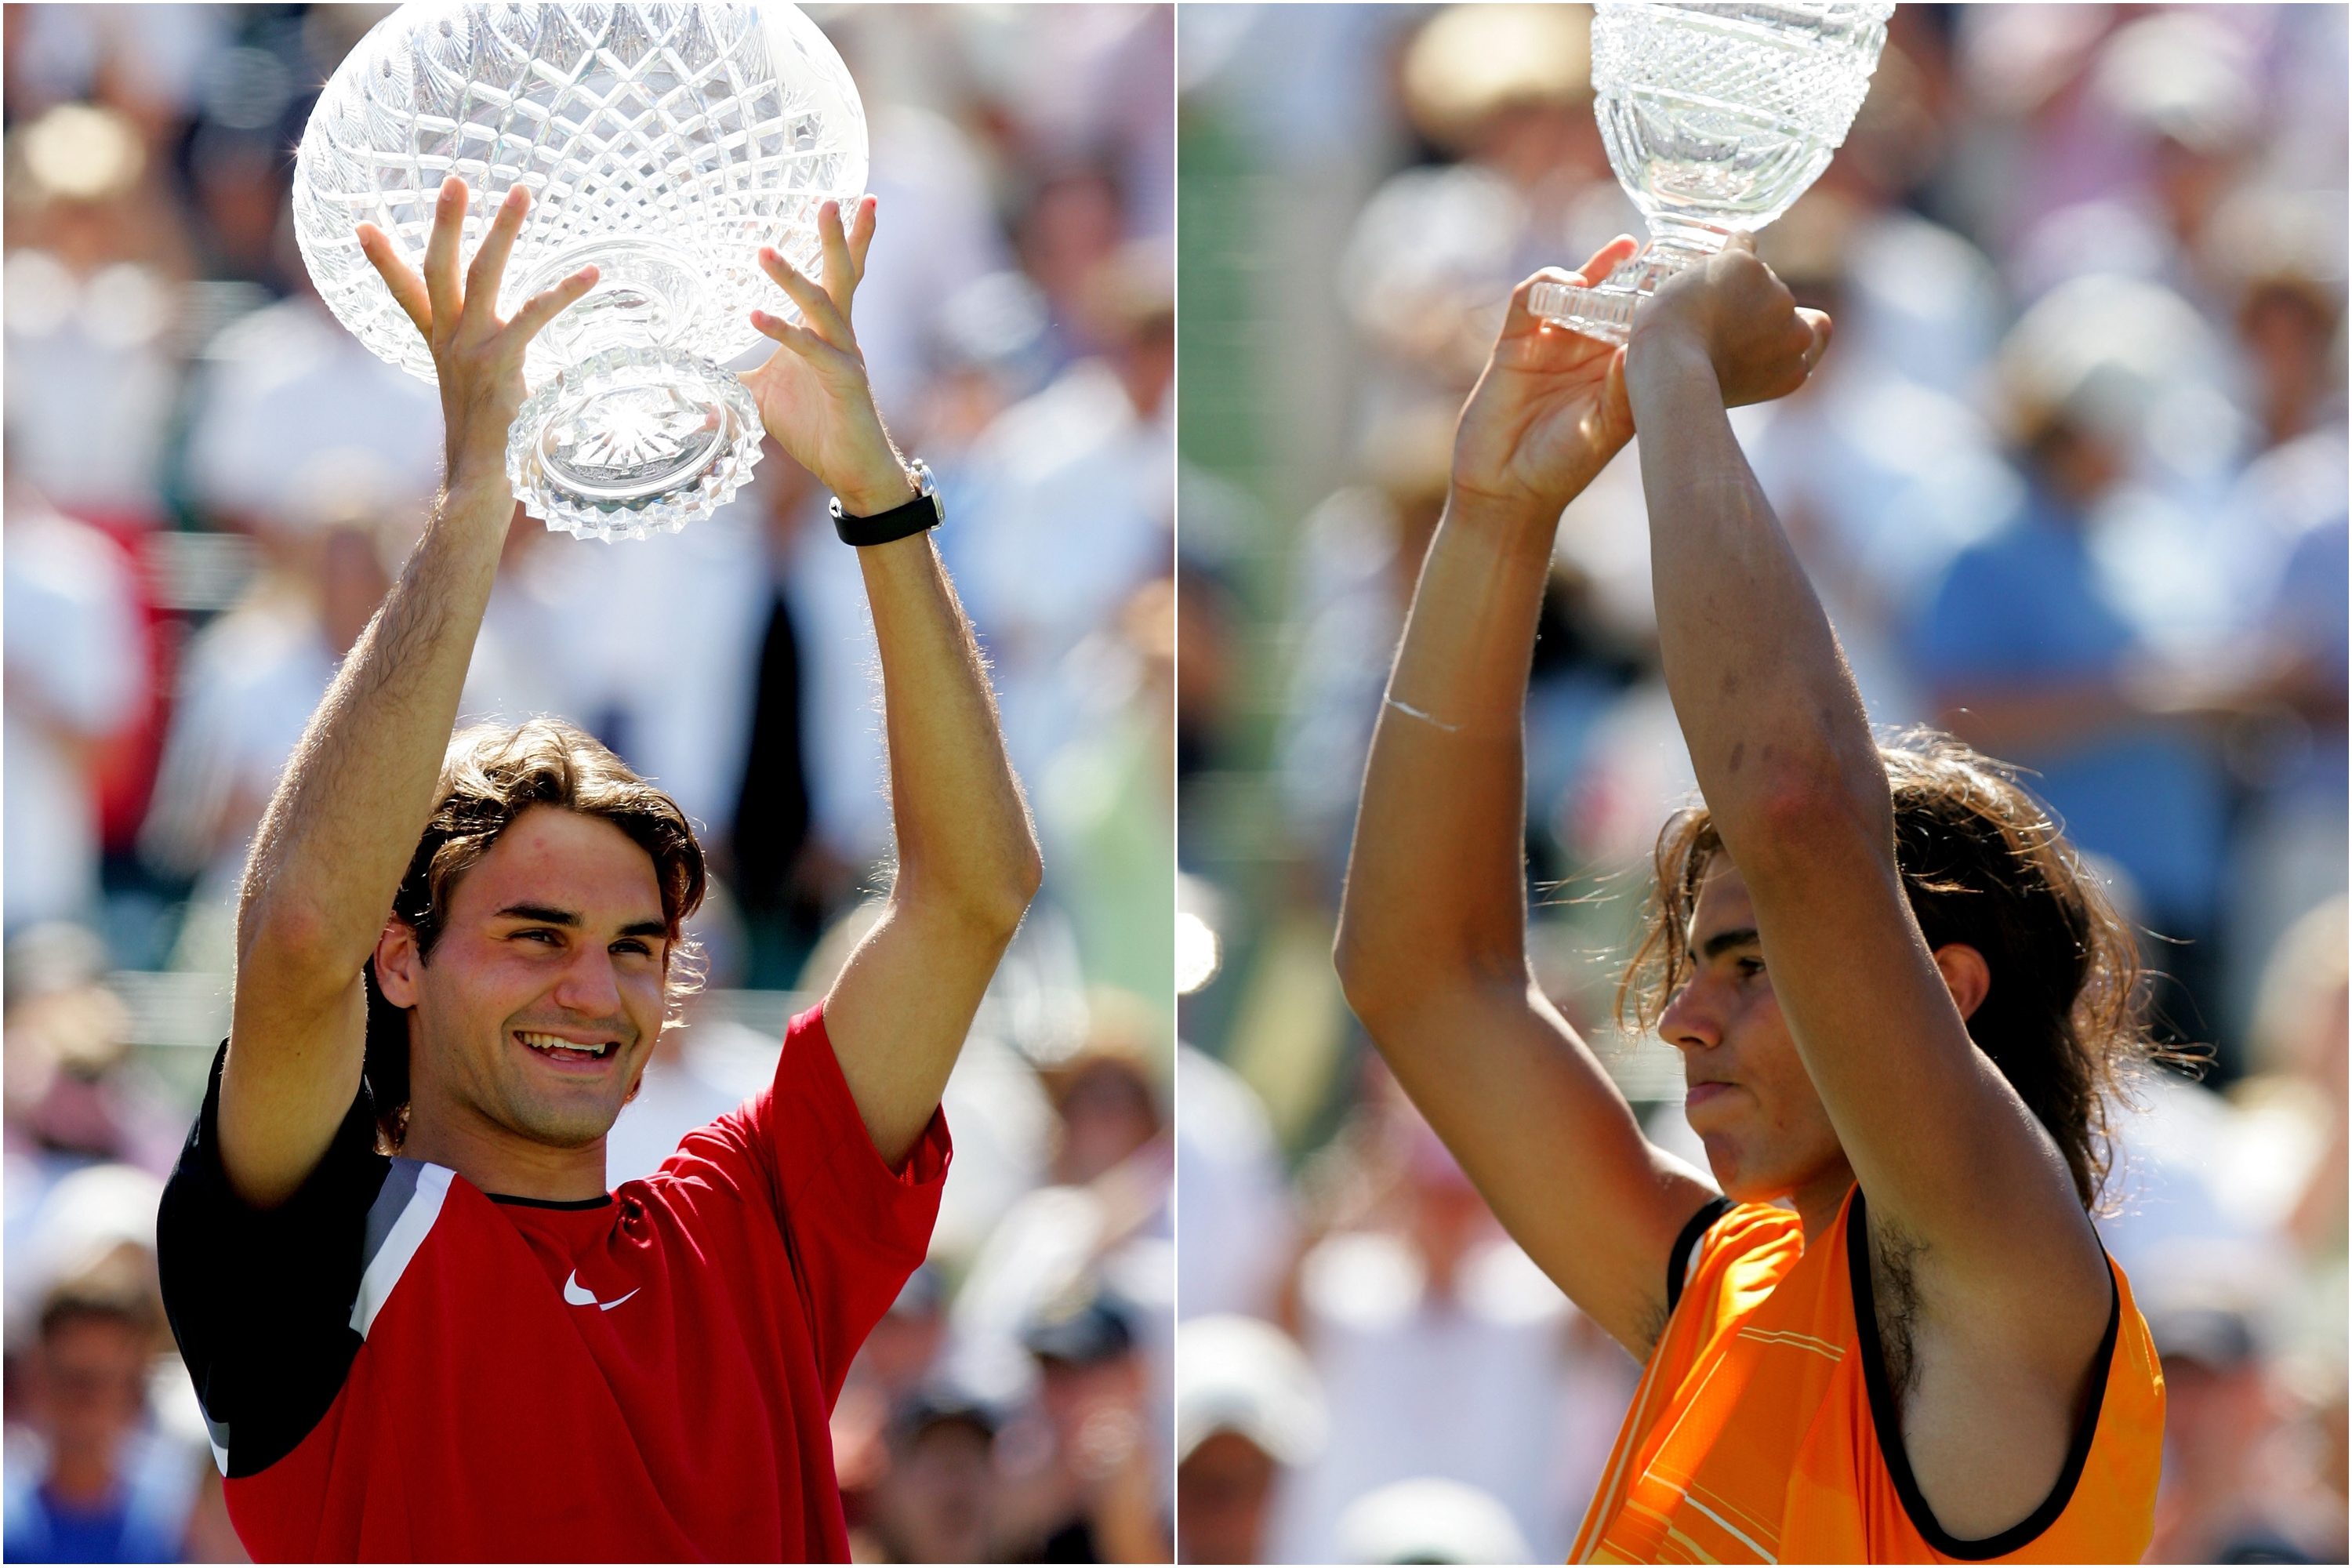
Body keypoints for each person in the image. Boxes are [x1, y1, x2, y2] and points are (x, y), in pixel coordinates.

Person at [154, 179, 1041, 1562]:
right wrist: (471, 498)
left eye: (637, 946)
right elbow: (298, 932)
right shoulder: (317, 1251)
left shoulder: (753, 1234)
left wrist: (875, 494)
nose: (597, 986)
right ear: (404, 958)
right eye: (537, 932)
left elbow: (971, 898)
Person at [1335, 234, 2166, 1563]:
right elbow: (1421, 976)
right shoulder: (1730, 1276)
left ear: (1948, 993)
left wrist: (1675, 364)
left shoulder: (2011, 1270)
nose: (1679, 1022)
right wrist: (1498, 514)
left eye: (1745, 961)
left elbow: (1798, 810)